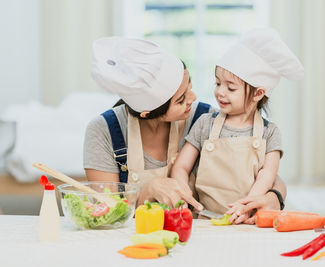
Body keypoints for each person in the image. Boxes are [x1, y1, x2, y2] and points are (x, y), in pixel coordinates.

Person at [84, 36, 287, 212]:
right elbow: (106, 208)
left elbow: (266, 175)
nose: (193, 98)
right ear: (147, 114)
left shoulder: (207, 119)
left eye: (190, 86)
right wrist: (148, 191)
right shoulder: (105, 132)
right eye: (181, 99)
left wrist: (273, 198)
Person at [171, 28, 304, 224]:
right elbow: (181, 166)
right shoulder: (205, 123)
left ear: (258, 94)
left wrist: (247, 205)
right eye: (217, 83)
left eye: (231, 87)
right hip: (205, 220)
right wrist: (183, 193)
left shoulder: (270, 133)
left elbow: (267, 175)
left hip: (248, 219)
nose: (220, 92)